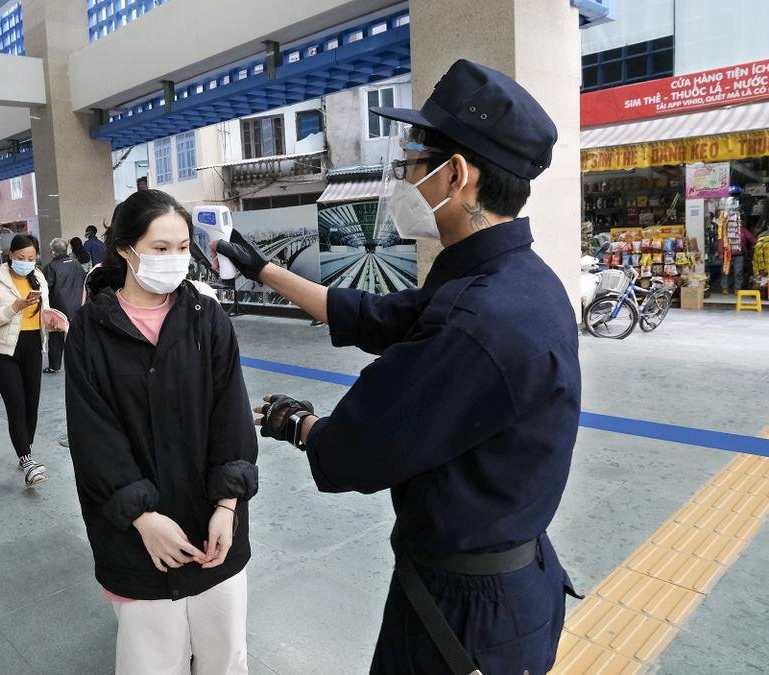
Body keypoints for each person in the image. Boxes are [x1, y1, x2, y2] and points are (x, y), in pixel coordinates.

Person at [216, 60, 581, 674]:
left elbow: (359, 447)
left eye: (412, 164)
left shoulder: (480, 319)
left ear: (456, 175)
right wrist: (265, 273)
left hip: (466, 613)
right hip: (506, 585)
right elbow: (379, 315)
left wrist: (297, 424)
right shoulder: (512, 279)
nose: (404, 179)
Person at [66, 189, 258, 675]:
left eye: (181, 247)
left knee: (225, 657)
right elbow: (94, 436)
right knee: (151, 662)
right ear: (127, 249)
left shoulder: (206, 318)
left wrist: (227, 505)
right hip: (135, 537)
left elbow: (230, 415)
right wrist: (143, 519)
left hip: (213, 525)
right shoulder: (91, 330)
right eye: (159, 248)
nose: (175, 260)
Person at [0, 234, 68, 487]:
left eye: (31, 258)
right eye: (21, 258)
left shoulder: (39, 277)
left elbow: (44, 312)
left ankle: (24, 450)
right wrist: (15, 307)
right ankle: (28, 459)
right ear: (10, 255)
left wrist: (52, 321)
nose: (26, 262)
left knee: (31, 406)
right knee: (16, 406)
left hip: (32, 347)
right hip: (5, 352)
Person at [41, 238, 85, 374]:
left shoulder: (51, 267)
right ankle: (81, 363)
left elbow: (45, 288)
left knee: (56, 337)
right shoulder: (76, 263)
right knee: (77, 337)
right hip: (78, 306)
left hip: (59, 308)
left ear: (53, 251)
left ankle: (54, 365)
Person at [720, 217, 757, 294]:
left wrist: (758, 243)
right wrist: (720, 253)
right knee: (725, 272)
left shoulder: (742, 230)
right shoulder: (725, 231)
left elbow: (750, 238)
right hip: (727, 255)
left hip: (739, 255)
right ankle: (725, 288)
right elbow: (721, 242)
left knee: (738, 272)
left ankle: (737, 288)